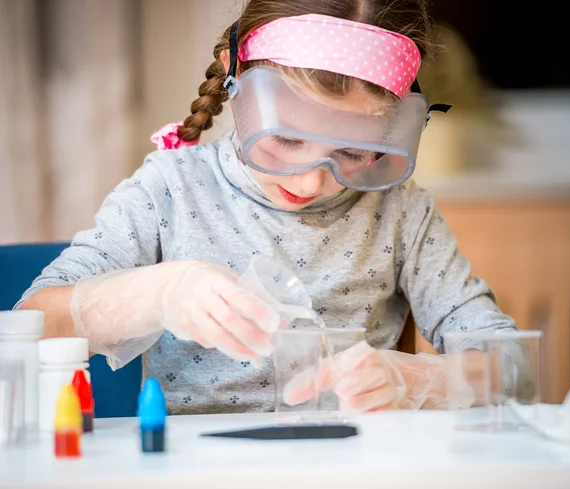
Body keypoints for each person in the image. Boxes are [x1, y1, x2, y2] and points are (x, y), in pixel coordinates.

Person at [17, 0, 518, 415]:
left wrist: (415, 379)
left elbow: (515, 366)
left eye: (353, 151)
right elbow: (30, 325)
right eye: (285, 138)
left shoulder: (399, 213)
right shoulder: (171, 191)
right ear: (240, 91)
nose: (311, 179)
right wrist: (162, 290)